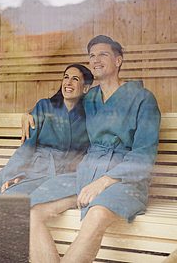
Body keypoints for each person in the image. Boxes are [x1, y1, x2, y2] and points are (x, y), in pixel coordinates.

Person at [21, 35, 161, 263]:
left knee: (96, 214)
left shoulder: (143, 98)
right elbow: (58, 104)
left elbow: (145, 154)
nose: (96, 59)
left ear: (118, 61)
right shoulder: (90, 97)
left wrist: (104, 182)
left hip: (124, 182)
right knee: (32, 211)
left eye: (103, 54)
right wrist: (29, 112)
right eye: (92, 56)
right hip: (86, 175)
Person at [0, 64, 93, 203]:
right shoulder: (44, 106)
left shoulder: (89, 116)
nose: (68, 82)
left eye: (75, 79)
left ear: (85, 88)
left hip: (52, 174)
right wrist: (14, 174)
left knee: (7, 200)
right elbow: (27, 146)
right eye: (66, 77)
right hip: (28, 164)